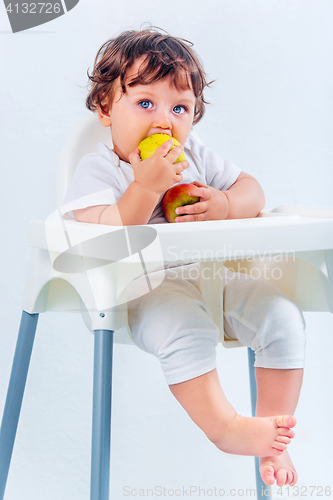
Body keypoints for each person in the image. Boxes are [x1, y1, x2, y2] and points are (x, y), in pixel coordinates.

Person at [63, 28, 306, 487]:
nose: (163, 121)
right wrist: (146, 187)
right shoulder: (99, 169)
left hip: (214, 278)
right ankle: (227, 430)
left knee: (282, 314)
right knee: (186, 327)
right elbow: (109, 227)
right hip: (145, 293)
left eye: (179, 108)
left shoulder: (194, 156)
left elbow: (252, 189)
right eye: (145, 103)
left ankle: (274, 437)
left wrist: (227, 205)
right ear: (104, 109)